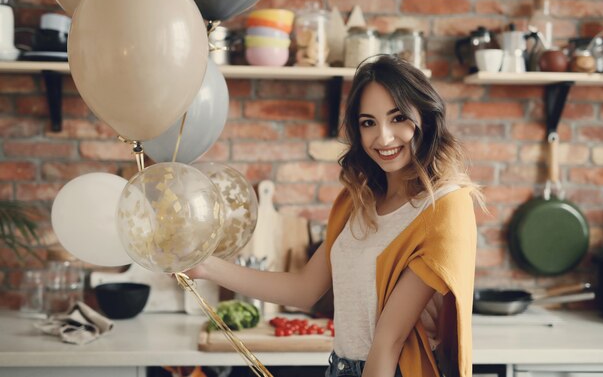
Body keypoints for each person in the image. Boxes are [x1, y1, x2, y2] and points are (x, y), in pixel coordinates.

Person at [185, 55, 483, 377]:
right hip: (341, 367)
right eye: (368, 122)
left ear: (425, 116)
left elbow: (390, 338)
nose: (383, 138)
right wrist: (207, 266)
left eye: (398, 119)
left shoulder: (445, 207)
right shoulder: (357, 202)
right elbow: (304, 289)